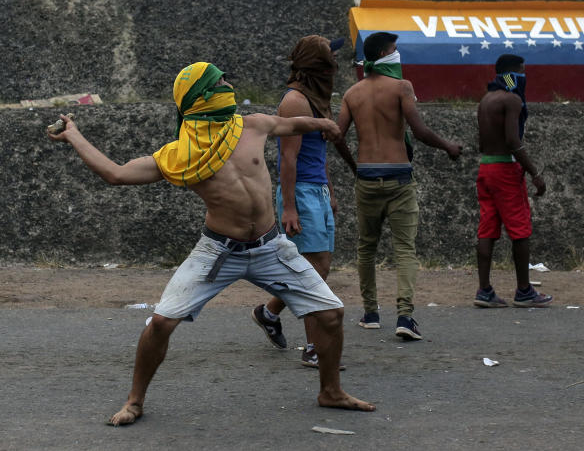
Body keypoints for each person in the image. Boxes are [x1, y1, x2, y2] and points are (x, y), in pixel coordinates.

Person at [48, 62, 374, 425]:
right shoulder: (180, 154)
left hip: (270, 247)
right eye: (220, 81)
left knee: (330, 314)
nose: (229, 84)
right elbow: (116, 173)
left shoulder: (251, 125)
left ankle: (331, 392)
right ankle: (134, 401)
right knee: (160, 323)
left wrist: (322, 124)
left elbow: (290, 125)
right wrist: (74, 135)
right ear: (200, 96)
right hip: (218, 252)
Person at [336, 32, 463, 341]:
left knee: (367, 246)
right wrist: (448, 146)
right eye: (394, 49)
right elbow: (418, 131)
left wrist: (355, 167)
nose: (398, 53)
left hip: (366, 177)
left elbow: (337, 136)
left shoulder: (352, 94)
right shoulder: (401, 88)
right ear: (383, 53)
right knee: (404, 247)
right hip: (399, 177)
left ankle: (370, 313)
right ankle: (405, 315)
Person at [251, 36, 351, 368]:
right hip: (301, 193)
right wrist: (290, 207)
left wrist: (331, 193)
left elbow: (318, 155)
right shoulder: (294, 102)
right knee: (314, 269)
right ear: (317, 65)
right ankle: (313, 348)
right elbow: (288, 159)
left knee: (316, 268)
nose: (335, 65)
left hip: (317, 191)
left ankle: (268, 313)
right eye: (330, 59)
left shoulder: (315, 99)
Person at [474, 55, 552, 309]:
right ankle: (524, 291)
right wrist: (534, 173)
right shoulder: (512, 99)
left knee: (487, 229)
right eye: (522, 71)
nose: (524, 76)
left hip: (486, 167)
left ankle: (484, 290)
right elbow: (512, 140)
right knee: (520, 230)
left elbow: (482, 142)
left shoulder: (486, 100)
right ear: (515, 73)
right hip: (506, 169)